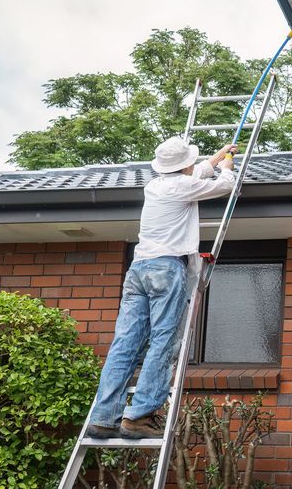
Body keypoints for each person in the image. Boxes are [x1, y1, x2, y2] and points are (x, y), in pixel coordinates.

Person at [86, 136, 237, 439]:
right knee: (163, 341)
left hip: (139, 269)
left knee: (125, 343)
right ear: (184, 165)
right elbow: (225, 185)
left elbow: (195, 175)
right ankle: (139, 416)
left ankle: (104, 418)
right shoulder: (182, 186)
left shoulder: (154, 186)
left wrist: (218, 155)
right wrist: (229, 166)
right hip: (167, 269)